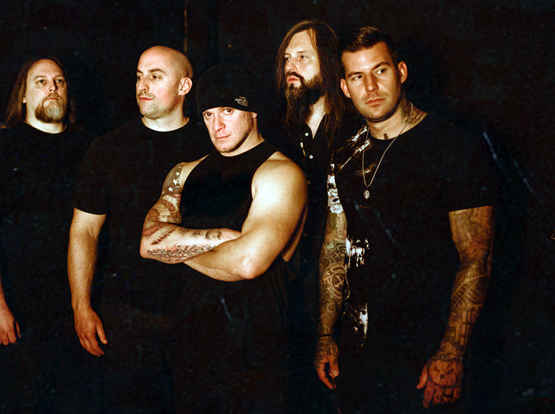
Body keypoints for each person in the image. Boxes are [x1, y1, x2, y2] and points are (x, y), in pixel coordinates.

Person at [314, 26, 496, 412]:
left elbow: (476, 256)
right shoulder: (343, 157)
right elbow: (334, 246)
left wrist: (451, 351)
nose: (371, 87)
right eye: (357, 77)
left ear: (401, 71)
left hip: (428, 356)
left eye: (380, 71)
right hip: (358, 355)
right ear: (344, 88)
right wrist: (326, 334)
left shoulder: (455, 147)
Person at [140, 63, 307, 413]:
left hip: (257, 356)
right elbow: (147, 244)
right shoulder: (184, 173)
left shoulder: (280, 173)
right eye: (208, 114)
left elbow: (248, 262)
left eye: (228, 111)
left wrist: (176, 244)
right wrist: (224, 240)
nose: (216, 125)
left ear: (252, 111)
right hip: (192, 350)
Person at [68, 46, 210, 413]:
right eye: (138, 76)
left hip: (199, 315)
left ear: (184, 86)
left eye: (155, 76)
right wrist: (81, 306)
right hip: (127, 315)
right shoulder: (107, 148)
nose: (142, 85)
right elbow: (84, 231)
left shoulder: (212, 143)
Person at [0, 56, 92, 413]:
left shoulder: (92, 147)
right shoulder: (0, 146)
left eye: (59, 81)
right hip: (22, 309)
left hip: (82, 307)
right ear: (22, 95)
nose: (52, 88)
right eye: (41, 81)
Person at [274, 19, 353, 412]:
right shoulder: (281, 131)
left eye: (303, 57)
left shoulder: (355, 128)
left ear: (329, 63)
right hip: (293, 287)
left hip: (346, 291)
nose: (291, 66)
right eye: (287, 58)